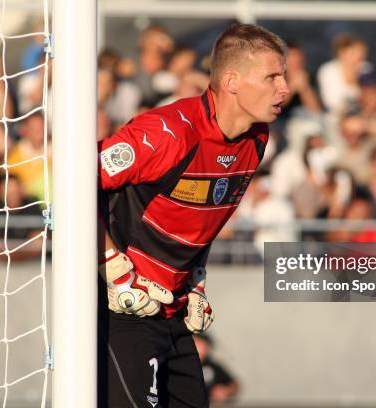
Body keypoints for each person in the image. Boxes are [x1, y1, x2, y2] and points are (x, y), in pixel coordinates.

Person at [97, 23, 289, 407]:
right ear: (231, 81)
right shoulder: (167, 131)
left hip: (173, 309)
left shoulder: (257, 138)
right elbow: (77, 182)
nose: (284, 87)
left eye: (283, 75)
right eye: (272, 76)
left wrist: (196, 278)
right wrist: (111, 266)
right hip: (121, 305)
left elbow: (203, 216)